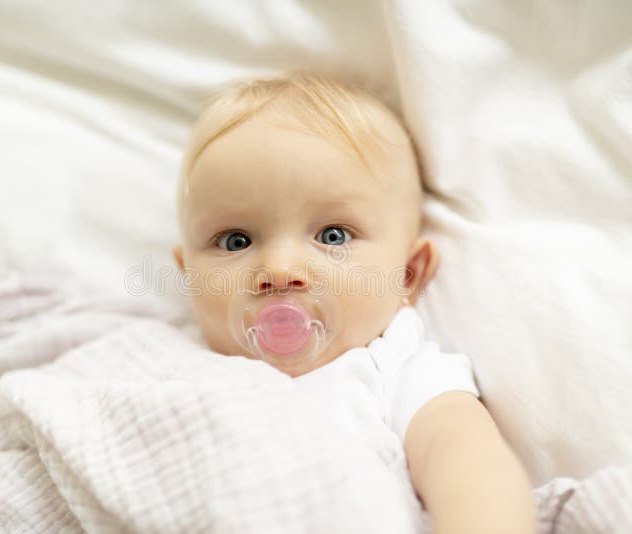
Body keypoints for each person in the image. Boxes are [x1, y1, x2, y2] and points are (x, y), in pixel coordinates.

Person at [172, 70, 535, 534]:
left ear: (408, 274)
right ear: (188, 275)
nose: (280, 270)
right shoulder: (173, 356)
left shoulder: (396, 371)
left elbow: (467, 462)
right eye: (236, 240)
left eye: (333, 236)